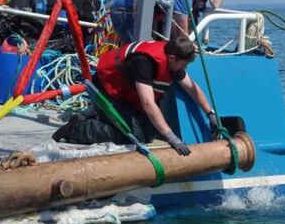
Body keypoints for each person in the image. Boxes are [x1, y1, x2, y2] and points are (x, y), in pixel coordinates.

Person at [53, 37, 218, 155]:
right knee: (134, 137)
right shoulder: (144, 62)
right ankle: (78, 129)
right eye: (184, 64)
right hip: (107, 91)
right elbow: (148, 104)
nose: (185, 67)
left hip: (127, 95)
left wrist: (209, 113)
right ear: (172, 58)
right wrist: (171, 137)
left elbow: (192, 88)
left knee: (149, 134)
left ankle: (98, 115)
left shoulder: (173, 60)